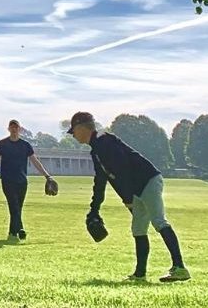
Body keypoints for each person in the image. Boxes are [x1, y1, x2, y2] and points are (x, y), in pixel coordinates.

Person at [67, 111, 190, 282]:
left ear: (81, 128)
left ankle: (180, 267)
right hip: (136, 187)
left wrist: (128, 198)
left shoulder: (105, 141)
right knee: (138, 229)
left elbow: (122, 168)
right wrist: (94, 209)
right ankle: (140, 274)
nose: (73, 135)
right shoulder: (96, 149)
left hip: (147, 180)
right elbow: (100, 182)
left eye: (73, 130)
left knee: (159, 221)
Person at [0, 119, 54, 242]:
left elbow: (35, 161)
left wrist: (47, 176)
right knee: (13, 205)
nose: (14, 129)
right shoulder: (2, 144)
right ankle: (21, 229)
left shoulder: (25, 145)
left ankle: (12, 232)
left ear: (19, 129)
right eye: (12, 127)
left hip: (22, 180)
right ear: (8, 129)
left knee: (18, 207)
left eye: (16, 127)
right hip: (7, 180)